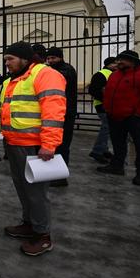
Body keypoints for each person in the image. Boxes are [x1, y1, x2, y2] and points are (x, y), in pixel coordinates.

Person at [0, 41, 66, 256]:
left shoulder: (45, 74)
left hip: (34, 147)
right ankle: (29, 224)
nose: (6, 63)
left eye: (10, 59)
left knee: (36, 193)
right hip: (15, 144)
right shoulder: (16, 78)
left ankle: (43, 236)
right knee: (23, 189)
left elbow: (53, 114)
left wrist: (49, 145)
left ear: (24, 58)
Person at [97, 50, 140, 186]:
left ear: (132, 61)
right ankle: (117, 166)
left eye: (122, 60)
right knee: (118, 144)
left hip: (135, 118)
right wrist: (109, 110)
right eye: (118, 59)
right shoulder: (115, 75)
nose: (119, 62)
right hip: (115, 116)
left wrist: (139, 113)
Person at [45, 46, 77, 187]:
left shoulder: (66, 70)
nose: (51, 61)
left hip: (66, 113)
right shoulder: (56, 69)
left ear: (60, 58)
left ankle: (60, 177)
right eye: (49, 58)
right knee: (56, 145)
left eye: (53, 58)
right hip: (58, 112)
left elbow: (59, 77)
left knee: (63, 146)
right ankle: (54, 174)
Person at [88, 57, 118, 163]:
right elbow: (93, 90)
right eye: (115, 63)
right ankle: (97, 151)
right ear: (109, 64)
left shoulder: (114, 74)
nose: (117, 64)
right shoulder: (101, 74)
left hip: (107, 105)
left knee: (107, 128)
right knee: (106, 128)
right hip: (102, 105)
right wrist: (105, 99)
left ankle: (104, 149)